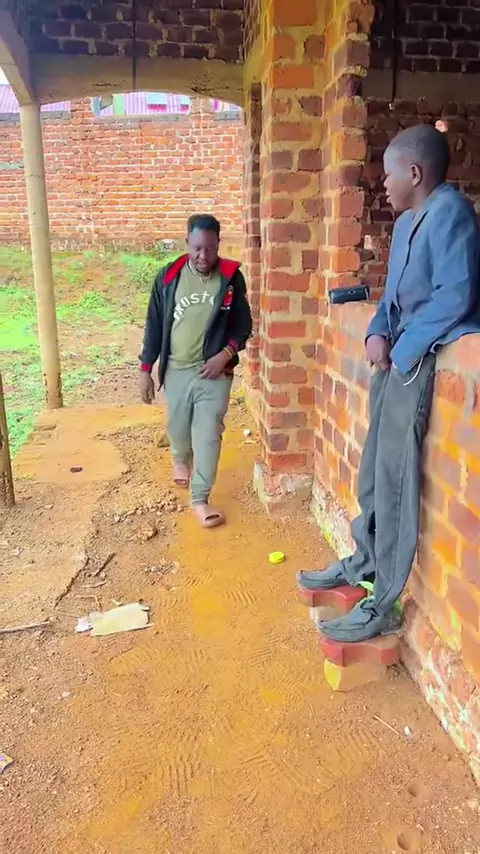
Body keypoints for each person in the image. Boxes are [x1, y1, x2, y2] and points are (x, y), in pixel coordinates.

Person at [298, 124, 480, 642]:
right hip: (397, 359)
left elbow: (456, 296)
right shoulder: (404, 225)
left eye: (388, 175)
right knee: (374, 470)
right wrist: (377, 330)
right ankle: (364, 561)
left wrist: (402, 349)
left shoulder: (452, 214)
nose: (382, 184)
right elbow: (391, 294)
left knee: (396, 481)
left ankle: (383, 602)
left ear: (415, 173)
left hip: (419, 360)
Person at [139, 214, 252, 528]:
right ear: (187, 242)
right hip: (176, 370)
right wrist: (146, 368)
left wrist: (224, 356)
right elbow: (154, 324)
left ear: (219, 245)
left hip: (213, 374)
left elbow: (243, 326)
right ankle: (180, 457)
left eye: (210, 249)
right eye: (197, 248)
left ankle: (200, 498)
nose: (204, 256)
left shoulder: (230, 278)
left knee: (208, 434)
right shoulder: (168, 277)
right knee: (177, 426)